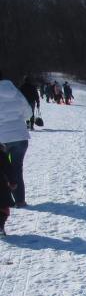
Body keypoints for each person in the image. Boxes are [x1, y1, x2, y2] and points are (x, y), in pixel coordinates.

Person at [0, 75, 32, 208]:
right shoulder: (16, 93)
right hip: (20, 137)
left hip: (2, 139)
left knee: (2, 170)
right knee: (17, 169)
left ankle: (5, 202)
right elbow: (28, 113)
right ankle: (20, 201)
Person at [0, 143, 16, 235]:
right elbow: (9, 169)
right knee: (3, 206)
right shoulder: (2, 154)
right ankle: (0, 226)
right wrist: (12, 181)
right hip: (1, 185)